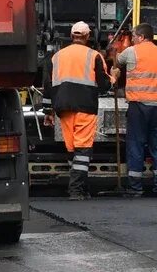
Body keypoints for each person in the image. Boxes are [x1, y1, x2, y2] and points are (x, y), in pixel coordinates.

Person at [43, 21, 110, 200]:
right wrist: (115, 77)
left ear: (72, 36)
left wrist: (47, 111)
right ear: (88, 37)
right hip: (85, 107)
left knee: (73, 148)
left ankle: (81, 188)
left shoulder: (56, 57)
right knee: (83, 149)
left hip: (63, 108)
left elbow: (47, 86)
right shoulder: (94, 55)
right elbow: (104, 86)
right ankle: (76, 190)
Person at [111, 23, 157, 197]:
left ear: (142, 37)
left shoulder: (132, 51)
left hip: (139, 105)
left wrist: (115, 71)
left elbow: (117, 63)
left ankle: (135, 188)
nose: (133, 40)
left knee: (136, 145)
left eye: (135, 37)